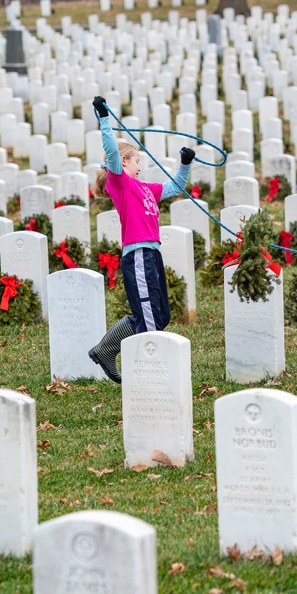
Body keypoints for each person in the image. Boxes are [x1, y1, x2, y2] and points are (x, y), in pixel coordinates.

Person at [87, 95, 195, 383]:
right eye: (137, 161)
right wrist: (104, 118)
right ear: (124, 162)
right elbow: (111, 152)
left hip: (152, 254)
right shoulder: (120, 183)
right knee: (148, 318)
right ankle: (152, 376)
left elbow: (176, 186)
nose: (140, 166)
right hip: (137, 255)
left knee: (160, 315)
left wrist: (185, 163)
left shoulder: (146, 188)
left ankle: (105, 350)